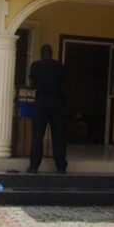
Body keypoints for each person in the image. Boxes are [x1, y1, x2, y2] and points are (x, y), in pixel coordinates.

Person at [28, 44, 67, 173]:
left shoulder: (36, 65)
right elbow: (63, 85)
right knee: (59, 136)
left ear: (41, 54)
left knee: (37, 135)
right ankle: (61, 167)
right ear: (51, 53)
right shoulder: (60, 66)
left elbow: (32, 84)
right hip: (57, 102)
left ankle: (34, 166)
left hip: (41, 101)